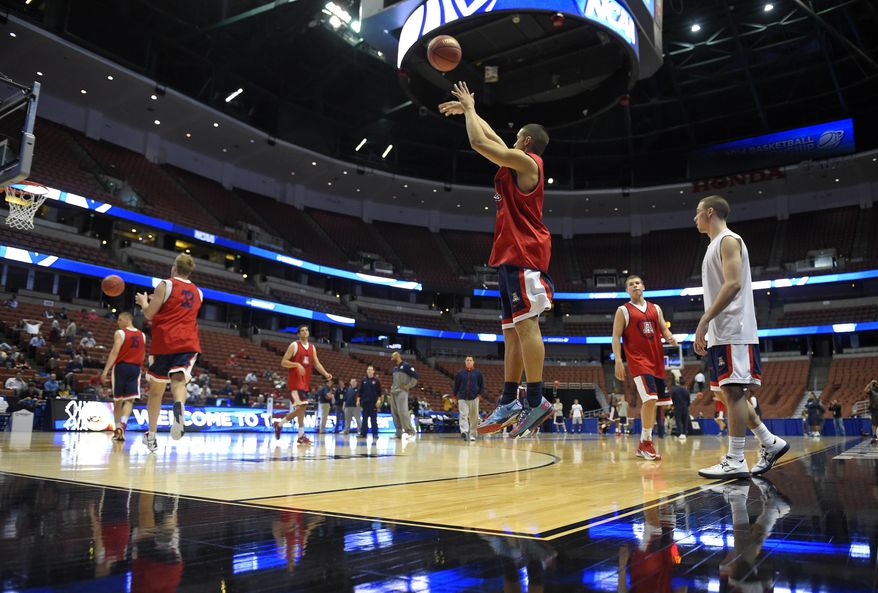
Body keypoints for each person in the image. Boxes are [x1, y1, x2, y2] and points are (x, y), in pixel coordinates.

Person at [440, 82, 555, 438]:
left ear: (526, 141)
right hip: (509, 256)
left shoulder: (528, 162)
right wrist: (472, 108)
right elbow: (492, 139)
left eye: (516, 137)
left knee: (525, 326)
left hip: (524, 253)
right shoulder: (516, 159)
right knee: (511, 334)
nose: (512, 141)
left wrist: (471, 112)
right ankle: (509, 399)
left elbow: (478, 142)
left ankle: (535, 399)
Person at [693, 195, 788, 479]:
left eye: (697, 213)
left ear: (709, 212)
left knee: (734, 392)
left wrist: (705, 319)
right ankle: (769, 442)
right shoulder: (714, 245)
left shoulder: (728, 240)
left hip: (735, 328)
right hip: (723, 331)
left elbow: (733, 284)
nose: (695, 219)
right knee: (729, 392)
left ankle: (735, 458)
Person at [135, 253, 203, 453]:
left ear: (174, 267)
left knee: (156, 392)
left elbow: (149, 314)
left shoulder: (165, 285)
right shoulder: (199, 292)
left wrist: (143, 302)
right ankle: (179, 406)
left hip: (164, 341)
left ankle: (152, 436)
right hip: (188, 340)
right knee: (179, 379)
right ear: (189, 271)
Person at [612, 274, 677, 461]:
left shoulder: (655, 308)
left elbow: (663, 329)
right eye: (630, 284)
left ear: (643, 286)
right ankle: (646, 442)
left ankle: (643, 443)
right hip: (638, 361)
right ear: (627, 290)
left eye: (637, 283)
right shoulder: (623, 310)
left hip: (656, 361)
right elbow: (616, 337)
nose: (634, 286)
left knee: (656, 403)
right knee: (649, 399)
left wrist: (669, 336)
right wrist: (618, 360)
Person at [273, 325, 332, 445]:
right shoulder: (294, 345)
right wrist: (297, 365)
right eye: (302, 331)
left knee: (301, 409)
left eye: (306, 330)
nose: (305, 332)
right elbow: (283, 362)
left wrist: (326, 374)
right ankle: (279, 424)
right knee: (303, 406)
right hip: (295, 382)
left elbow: (317, 363)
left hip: (305, 383)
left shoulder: (312, 347)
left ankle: (299, 435)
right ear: (298, 334)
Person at [100, 312, 146, 442]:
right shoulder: (142, 335)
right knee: (130, 400)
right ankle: (124, 423)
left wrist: (105, 371)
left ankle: (118, 427)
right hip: (135, 368)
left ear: (127, 319)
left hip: (121, 367)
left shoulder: (120, 333)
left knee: (118, 400)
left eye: (120, 320)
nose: (118, 322)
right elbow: (142, 355)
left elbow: (115, 352)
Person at [452, 355, 484, 441]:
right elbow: (456, 385)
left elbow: (481, 385)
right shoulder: (460, 373)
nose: (469, 361)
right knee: (463, 415)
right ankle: (464, 432)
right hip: (462, 398)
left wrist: (479, 395)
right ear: (465, 362)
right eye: (467, 360)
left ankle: (473, 434)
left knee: (474, 417)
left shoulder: (478, 373)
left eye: (470, 360)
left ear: (473, 362)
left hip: (474, 398)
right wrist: (454, 396)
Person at [389, 351, 418, 439]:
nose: (391, 359)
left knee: (403, 412)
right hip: (394, 392)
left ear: (397, 356)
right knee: (394, 413)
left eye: (392, 357)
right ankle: (398, 432)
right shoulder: (394, 368)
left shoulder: (406, 366)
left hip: (402, 392)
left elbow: (415, 377)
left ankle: (410, 431)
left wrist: (408, 386)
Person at [358, 366, 382, 439]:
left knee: (374, 420)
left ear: (373, 371)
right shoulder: (363, 380)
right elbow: (360, 391)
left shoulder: (376, 381)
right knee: (364, 419)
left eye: (371, 370)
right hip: (365, 403)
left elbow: (379, 392)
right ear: (367, 371)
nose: (369, 371)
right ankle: (363, 434)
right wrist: (358, 400)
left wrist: (379, 400)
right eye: (368, 369)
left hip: (373, 403)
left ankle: (375, 434)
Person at [670, 375, 690, 440]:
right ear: (684, 384)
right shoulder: (687, 391)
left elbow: (672, 399)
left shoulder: (675, 391)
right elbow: (688, 400)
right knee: (685, 421)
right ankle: (685, 433)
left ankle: (680, 433)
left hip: (677, 407)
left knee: (678, 421)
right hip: (685, 408)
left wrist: (674, 405)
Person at [866, 379, 878, 444]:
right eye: (876, 384)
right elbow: (865, 390)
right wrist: (870, 383)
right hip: (874, 410)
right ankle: (874, 435)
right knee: (874, 424)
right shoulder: (871, 391)